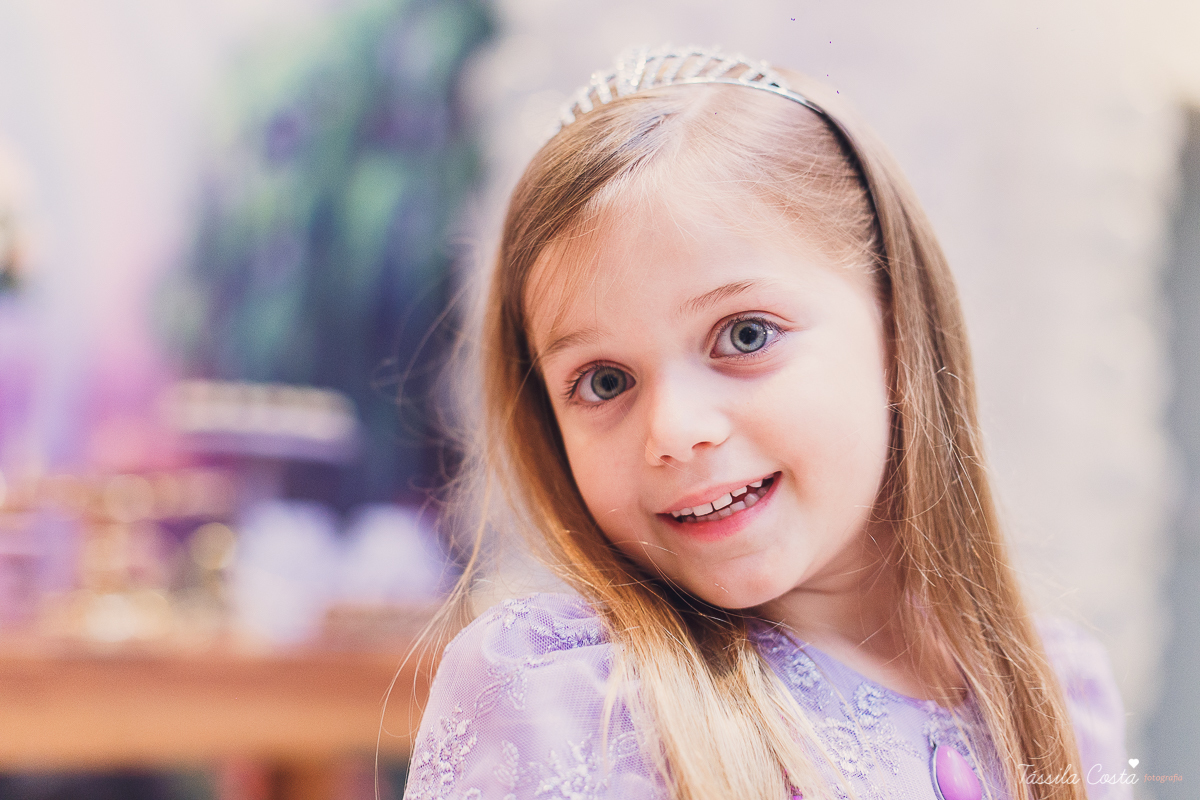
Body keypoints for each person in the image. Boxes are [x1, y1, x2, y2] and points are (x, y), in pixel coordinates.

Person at [400, 47, 1132, 800]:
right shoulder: (573, 707)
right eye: (606, 381)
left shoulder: (1057, 699)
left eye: (746, 335)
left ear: (898, 331)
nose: (675, 430)